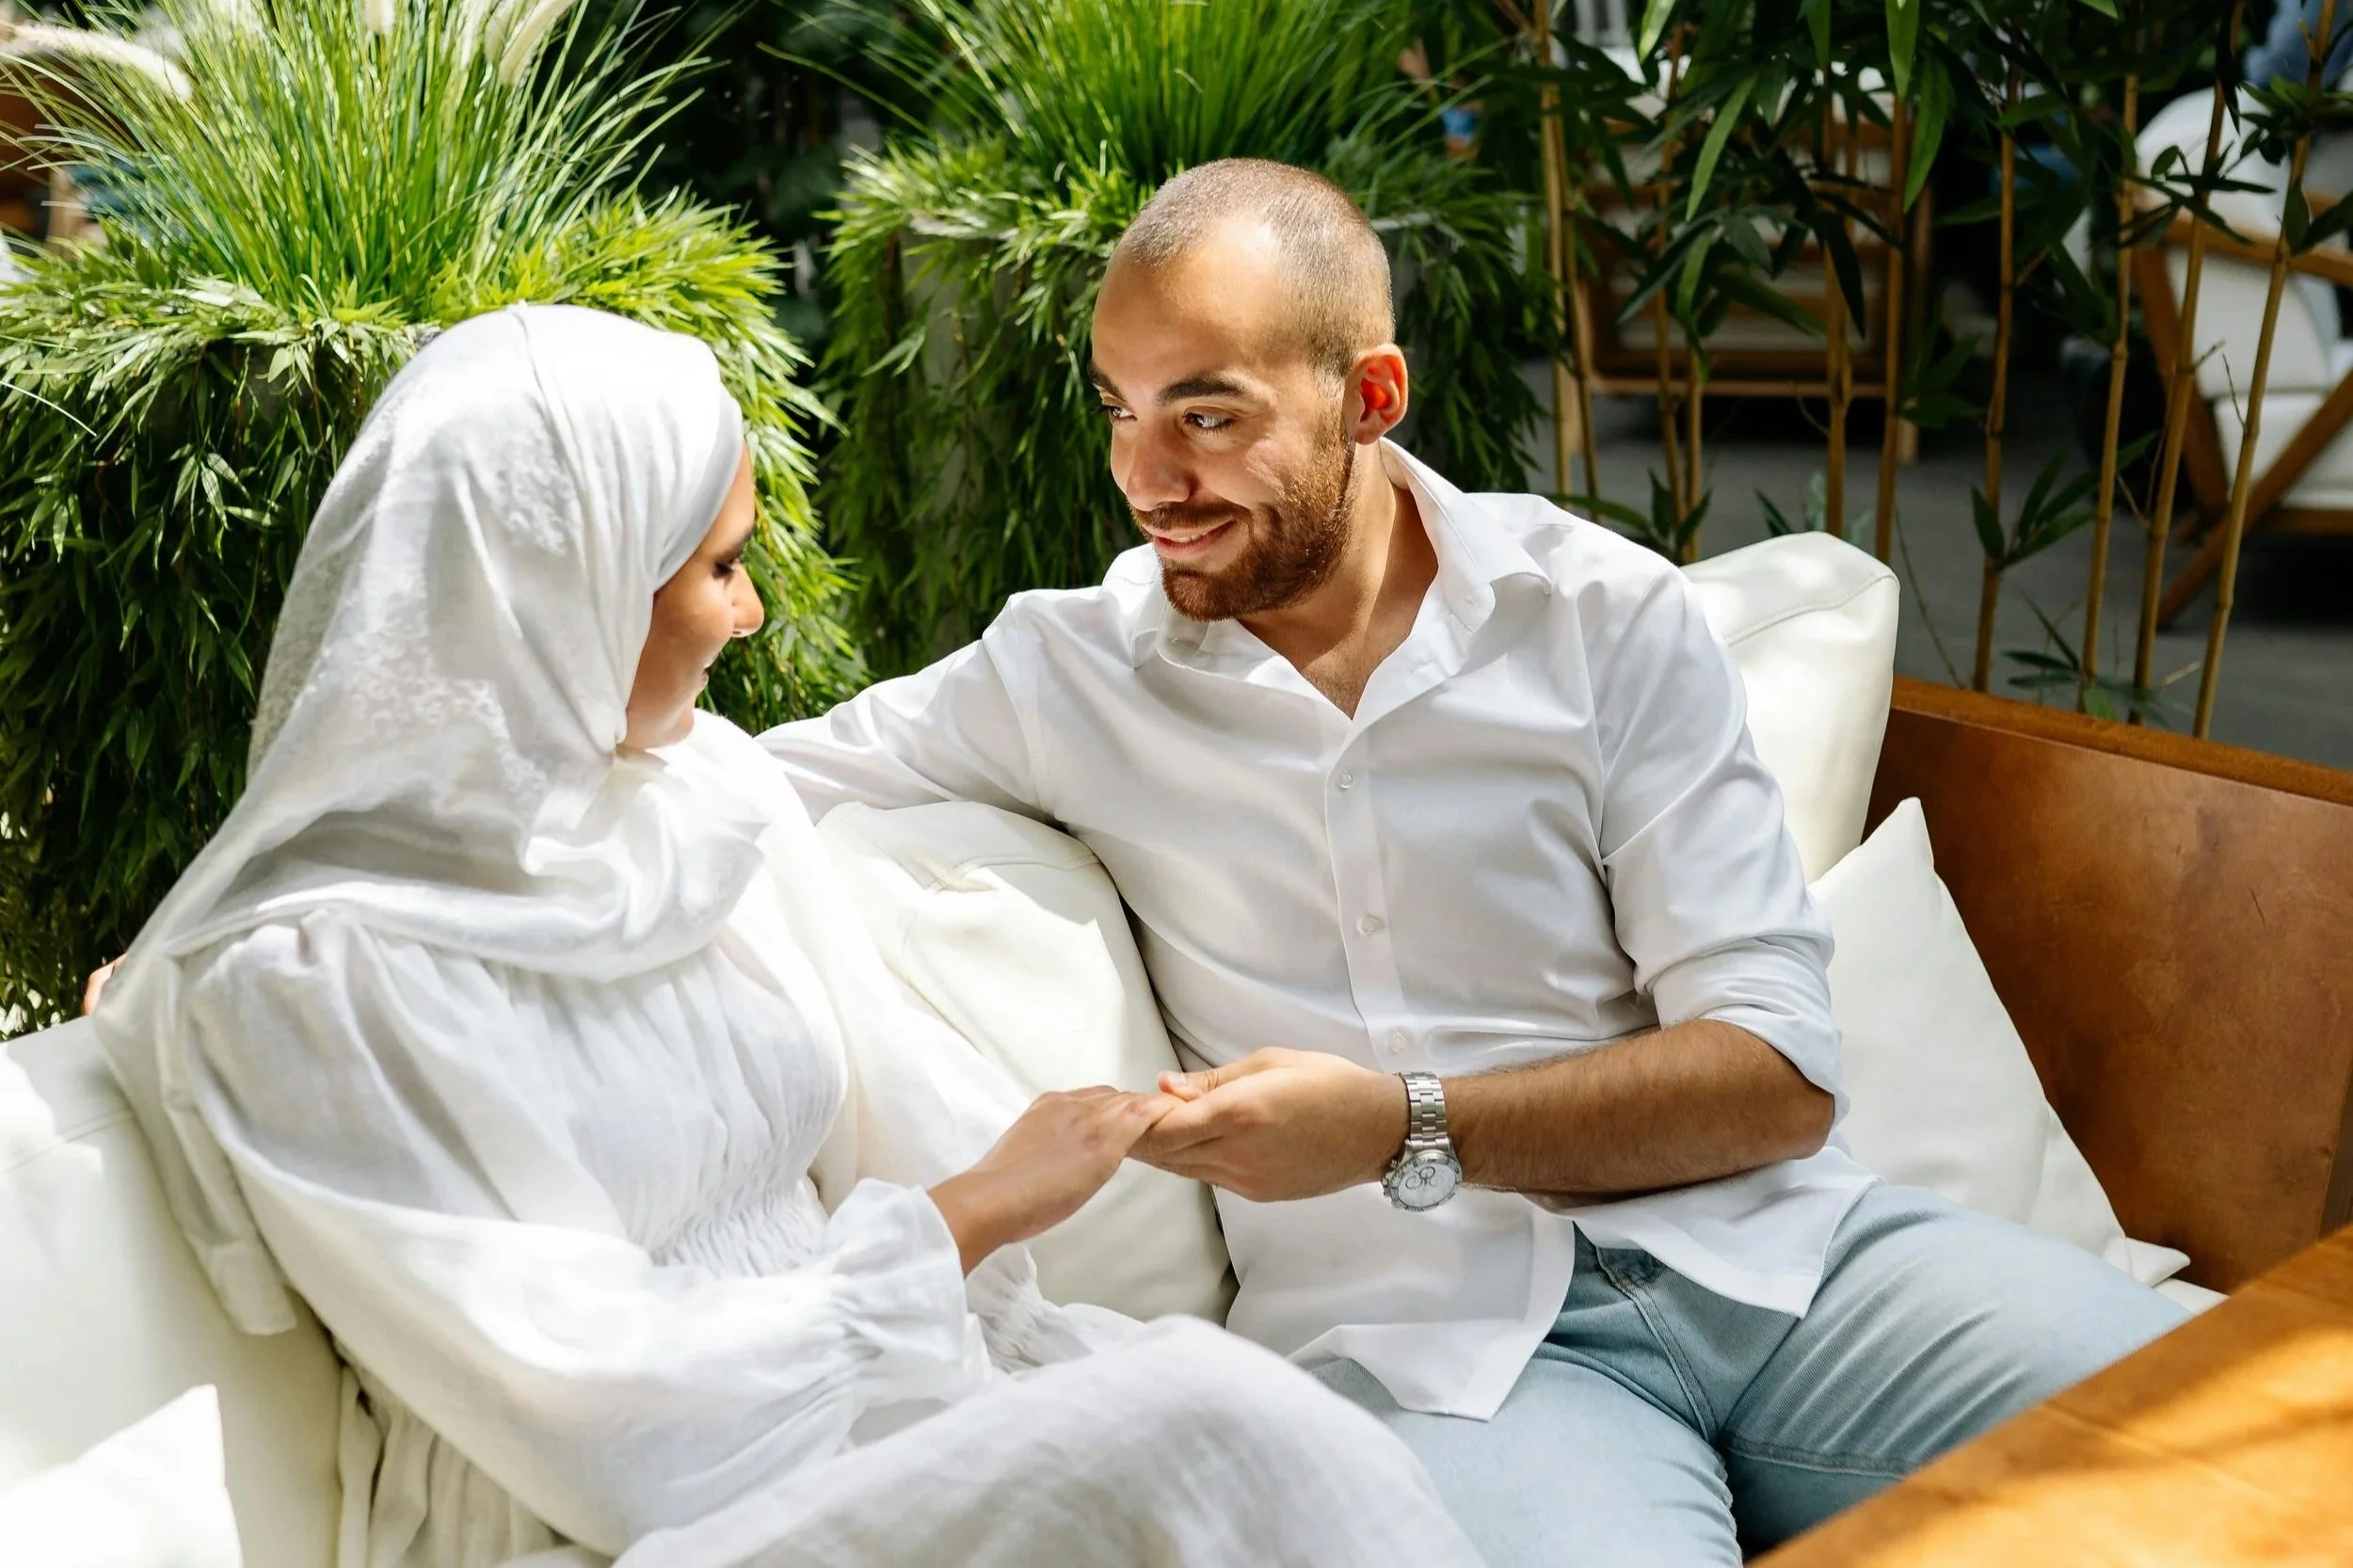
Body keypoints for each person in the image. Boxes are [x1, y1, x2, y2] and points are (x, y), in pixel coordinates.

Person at [760, 159, 2190, 1565]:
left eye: (1207, 414)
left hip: (1787, 1267)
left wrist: (1402, 1124)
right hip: (1436, 1364)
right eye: (1122, 412)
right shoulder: (1064, 673)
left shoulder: (1599, 618)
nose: (1148, 477)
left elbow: (1778, 1074)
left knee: (2261, 1430)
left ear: (1370, 397)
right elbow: (725, 783)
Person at [91, 304, 1481, 1568]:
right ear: (560, 590)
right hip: (614, 1518)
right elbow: (602, 1417)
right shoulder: (316, 982)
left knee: (1267, 1421)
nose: (750, 614)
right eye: (719, 566)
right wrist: (980, 1208)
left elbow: (905, 1123)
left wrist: (1137, 1133)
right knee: (1210, 1419)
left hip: (879, 1423)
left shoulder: (695, 804)